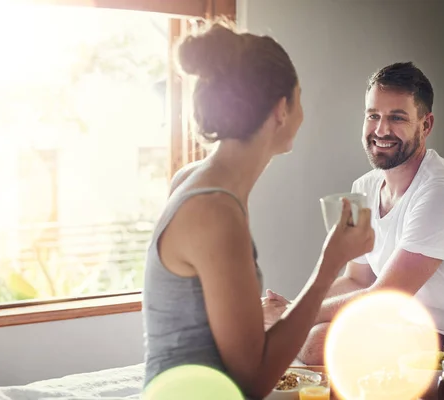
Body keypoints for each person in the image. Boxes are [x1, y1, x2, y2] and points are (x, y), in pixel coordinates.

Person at [141, 18, 375, 399]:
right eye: (300, 96)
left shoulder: (200, 182)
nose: (303, 112)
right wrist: (330, 264)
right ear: (281, 110)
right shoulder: (214, 211)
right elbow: (254, 379)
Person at [264, 62, 444, 369]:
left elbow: (387, 297)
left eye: (397, 118)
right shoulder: (364, 187)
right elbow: (356, 279)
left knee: (317, 342)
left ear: (426, 125)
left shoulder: (442, 194)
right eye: (373, 115)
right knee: (312, 333)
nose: (381, 130)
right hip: (415, 325)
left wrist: (290, 316)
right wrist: (297, 310)